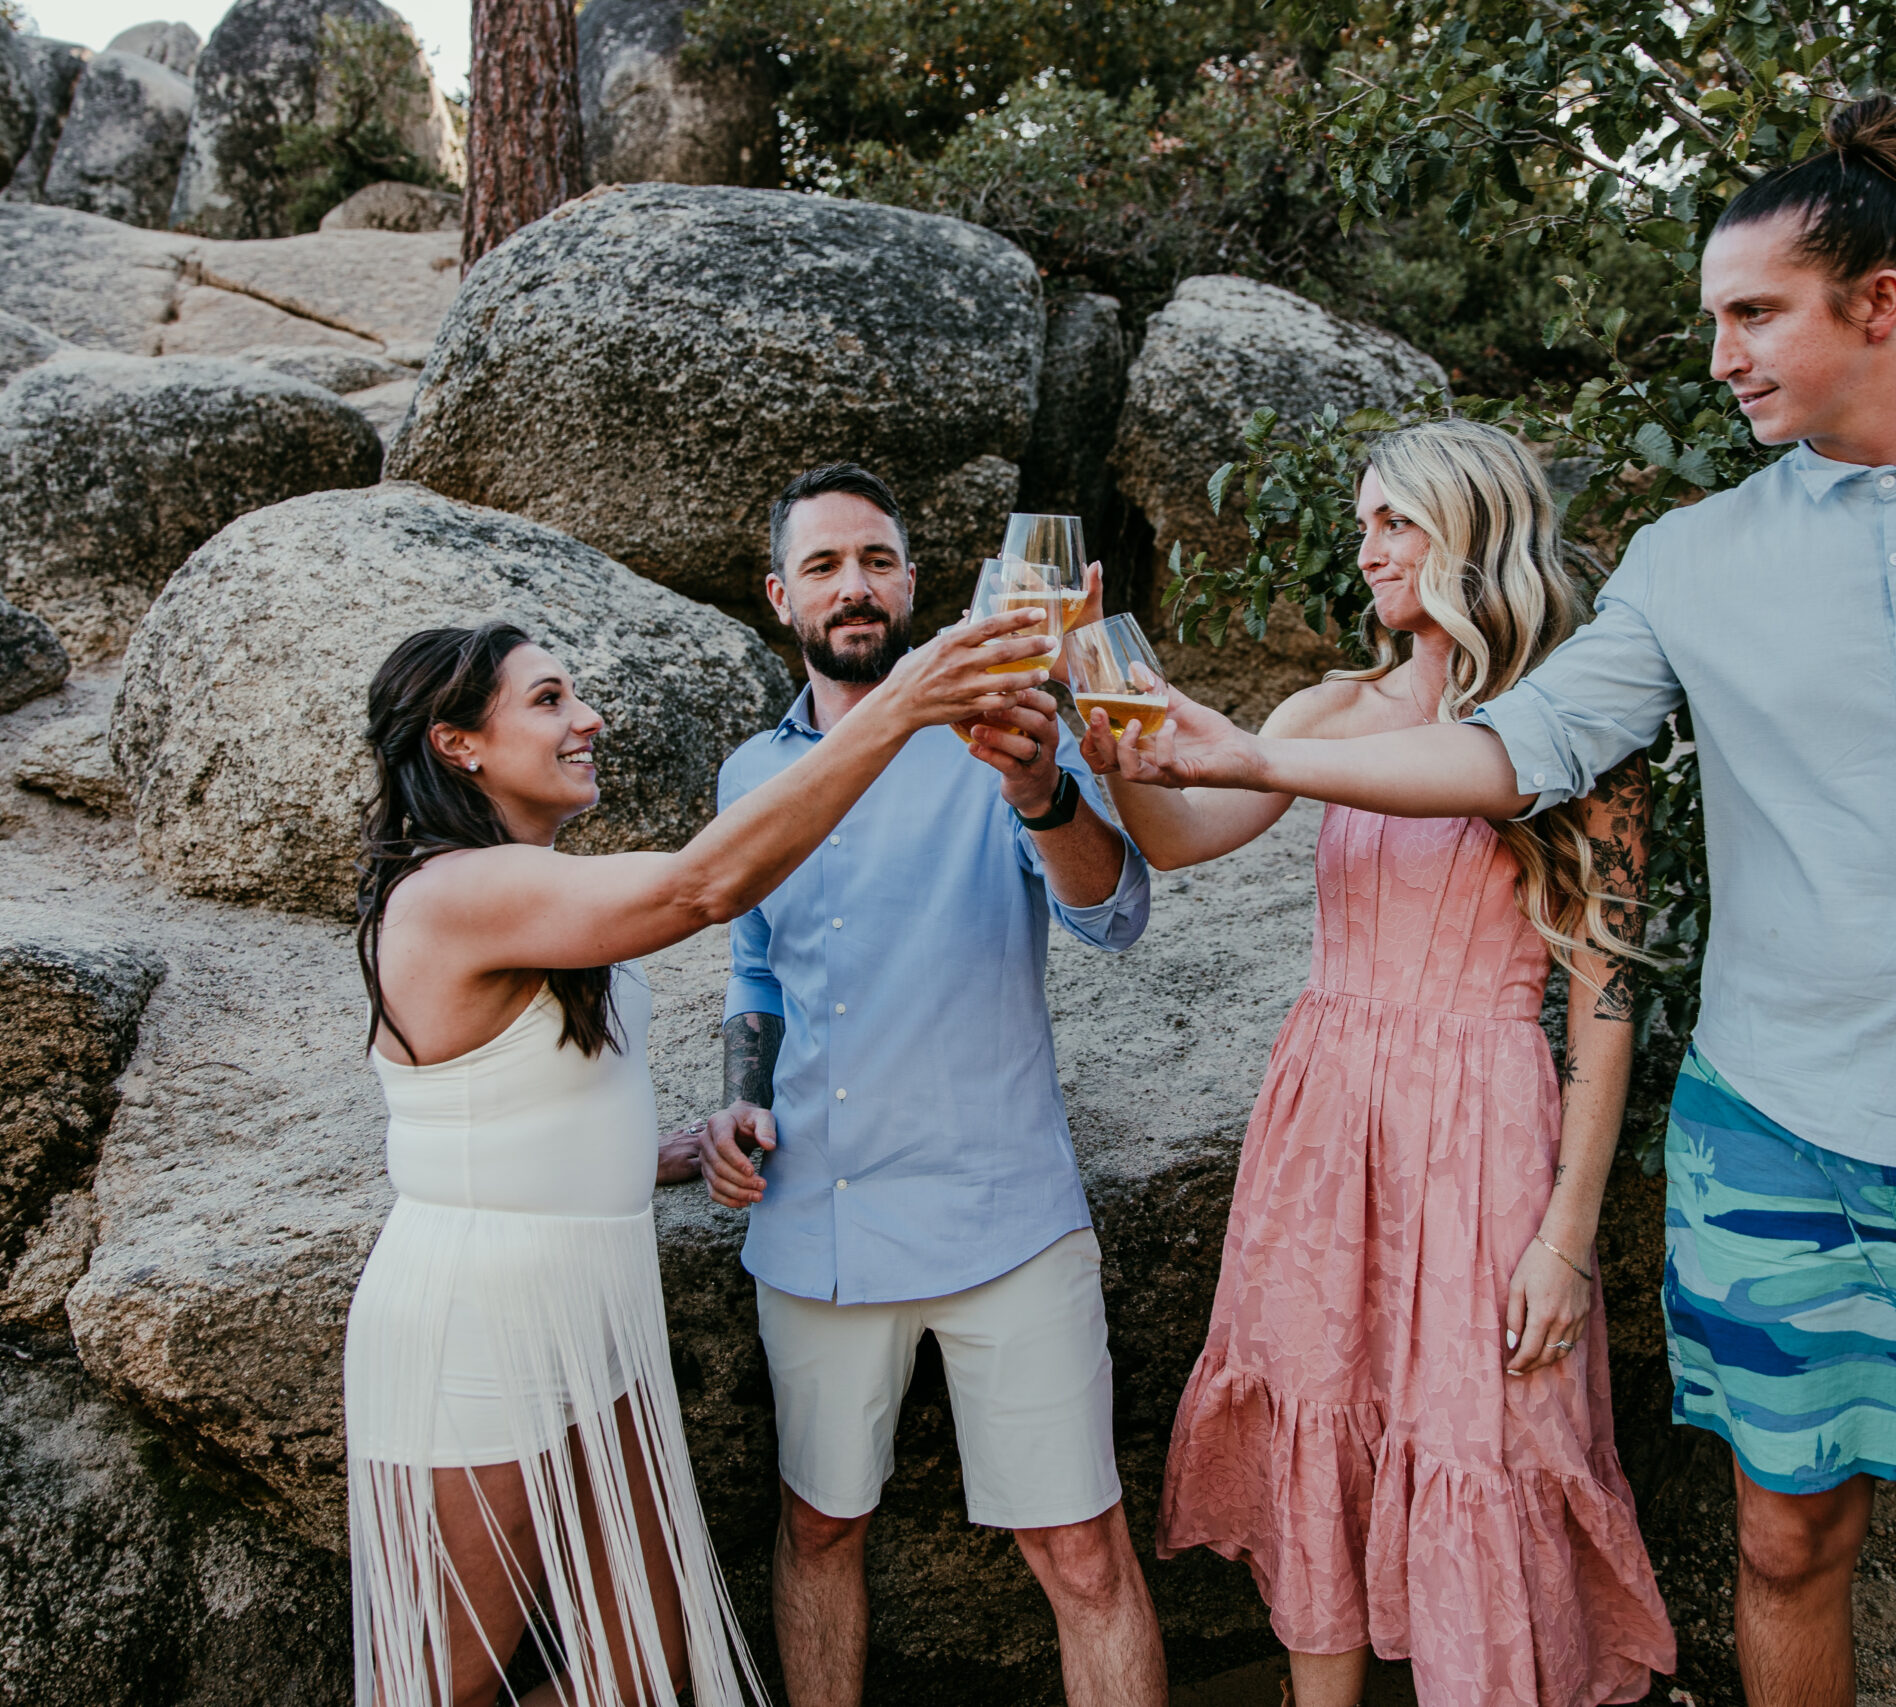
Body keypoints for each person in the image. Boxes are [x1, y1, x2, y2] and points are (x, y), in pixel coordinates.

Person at [1108, 97, 1896, 1707]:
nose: (1722, 356)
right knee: (1782, 1547)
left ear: (1878, 303)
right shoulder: (1694, 559)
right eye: (1714, 319)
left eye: (1754, 314)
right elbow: (1521, 750)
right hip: (1777, 1138)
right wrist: (1227, 744)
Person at [344, 609, 1046, 1707]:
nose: (589, 719)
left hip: (589, 1308)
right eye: (548, 701)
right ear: (456, 744)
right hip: (475, 1325)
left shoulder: (521, 879)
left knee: (641, 1660)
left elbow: (514, 1096)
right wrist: (902, 705)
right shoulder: (452, 891)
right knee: (438, 1681)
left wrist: (658, 1150)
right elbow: (700, 888)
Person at [1080, 418, 1677, 1707]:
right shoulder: (1330, 709)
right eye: (1363, 524)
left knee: (1486, 1440)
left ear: (1473, 532)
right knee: (1318, 1435)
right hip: (1325, 1118)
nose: (1366, 552)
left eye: (1392, 523)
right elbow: (1180, 838)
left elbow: (1607, 998)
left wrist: (1568, 1238)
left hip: (1482, 1127)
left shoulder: (1573, 730)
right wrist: (1107, 737)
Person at [698, 464, 1165, 1707]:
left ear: (916, 581)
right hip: (818, 1220)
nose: (854, 586)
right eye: (823, 565)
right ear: (777, 596)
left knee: (1081, 1553)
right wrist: (740, 1094)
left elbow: (1113, 915)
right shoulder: (752, 775)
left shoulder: (1009, 726)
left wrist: (1042, 789)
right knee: (816, 1532)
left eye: (877, 560)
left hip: (1002, 1213)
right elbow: (755, 963)